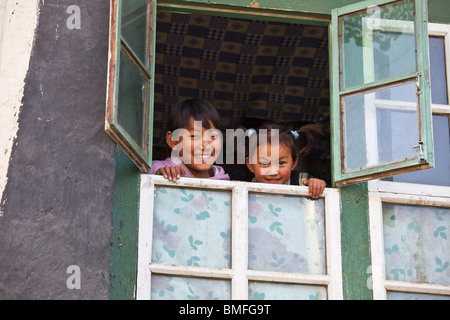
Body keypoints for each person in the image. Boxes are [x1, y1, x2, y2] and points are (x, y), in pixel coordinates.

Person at [147, 98, 230, 181]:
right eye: (194, 136)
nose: (205, 146)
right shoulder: (160, 169)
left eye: (213, 136)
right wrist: (161, 177)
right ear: (173, 141)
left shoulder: (222, 178)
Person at [245, 122, 326, 198]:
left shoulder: (303, 181)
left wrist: (316, 185)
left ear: (294, 163)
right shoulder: (244, 191)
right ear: (250, 164)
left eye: (281, 163)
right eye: (264, 163)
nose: (273, 171)